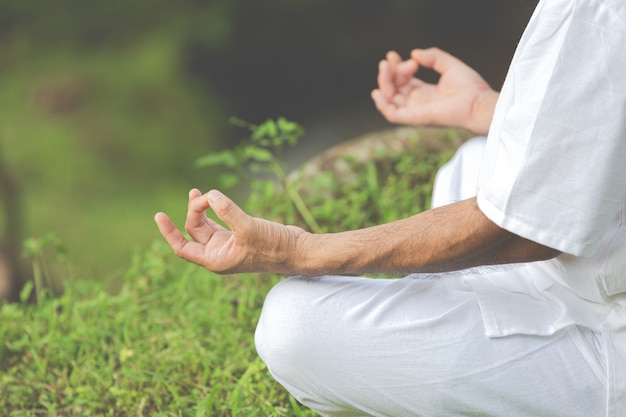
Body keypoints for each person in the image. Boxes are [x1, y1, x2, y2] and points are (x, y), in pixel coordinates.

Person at [154, 0, 626, 415]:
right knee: (474, 159)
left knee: (291, 326)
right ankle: (449, 317)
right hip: (588, 263)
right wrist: (484, 106)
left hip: (606, 330)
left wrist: (300, 250)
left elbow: (523, 230)